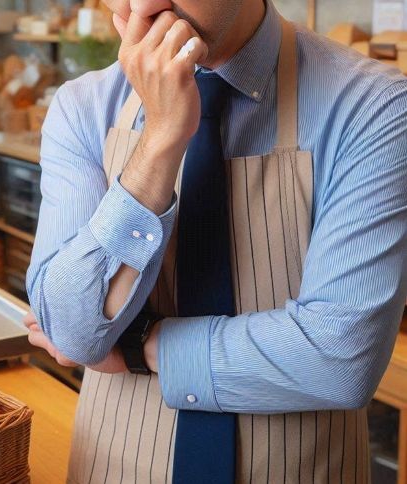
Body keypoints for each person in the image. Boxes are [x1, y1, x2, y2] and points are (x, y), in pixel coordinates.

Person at [25, 0, 407, 482]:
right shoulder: (83, 106)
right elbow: (73, 332)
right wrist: (160, 141)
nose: (142, 6)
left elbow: (340, 359)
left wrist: (142, 343)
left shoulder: (374, 107)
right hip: (114, 464)